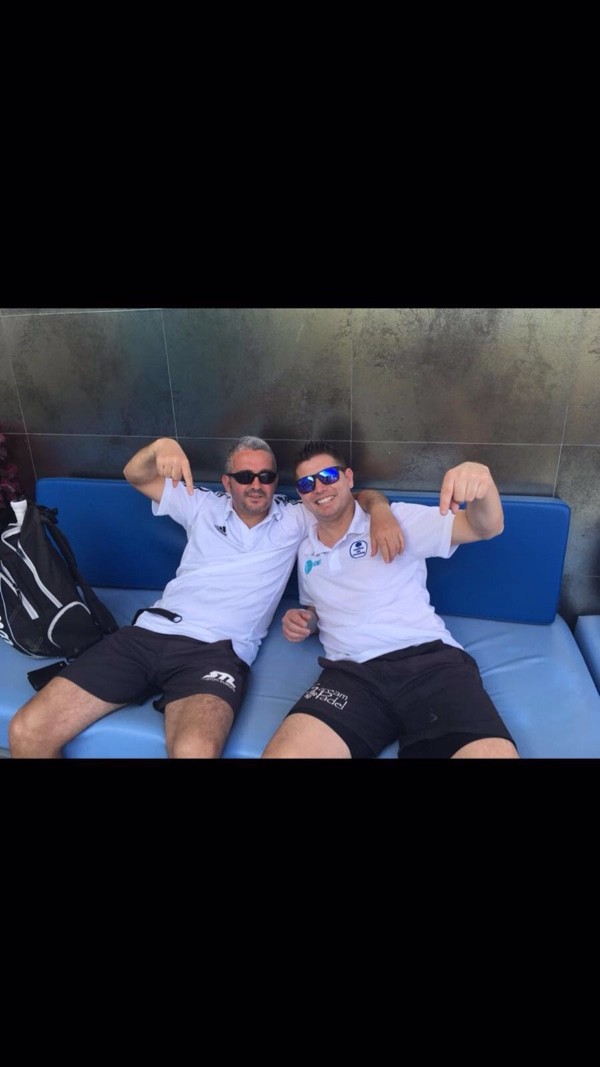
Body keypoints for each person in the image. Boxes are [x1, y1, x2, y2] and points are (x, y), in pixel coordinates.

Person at [9, 436, 403, 759]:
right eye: (245, 476)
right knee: (27, 731)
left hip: (217, 651)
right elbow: (136, 474)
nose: (256, 484)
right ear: (227, 482)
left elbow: (355, 496)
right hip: (147, 636)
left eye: (266, 476)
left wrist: (382, 512)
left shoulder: (296, 516)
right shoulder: (201, 505)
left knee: (194, 751)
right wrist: (160, 446)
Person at [262, 440, 519, 759]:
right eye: (306, 483)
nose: (319, 488)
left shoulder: (397, 519)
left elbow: (485, 528)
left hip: (428, 661)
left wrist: (483, 484)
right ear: (301, 495)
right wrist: (306, 621)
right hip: (351, 673)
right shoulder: (306, 550)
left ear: (349, 478)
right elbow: (316, 608)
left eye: (328, 476)